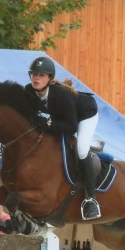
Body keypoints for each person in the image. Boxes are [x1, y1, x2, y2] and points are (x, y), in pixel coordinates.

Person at [24, 56, 101, 220]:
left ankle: (91, 199)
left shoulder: (61, 94)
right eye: (34, 74)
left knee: (81, 150)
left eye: (41, 75)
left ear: (50, 78)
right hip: (63, 117)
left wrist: (48, 124)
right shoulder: (29, 91)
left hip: (85, 114)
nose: (36, 78)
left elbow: (71, 126)